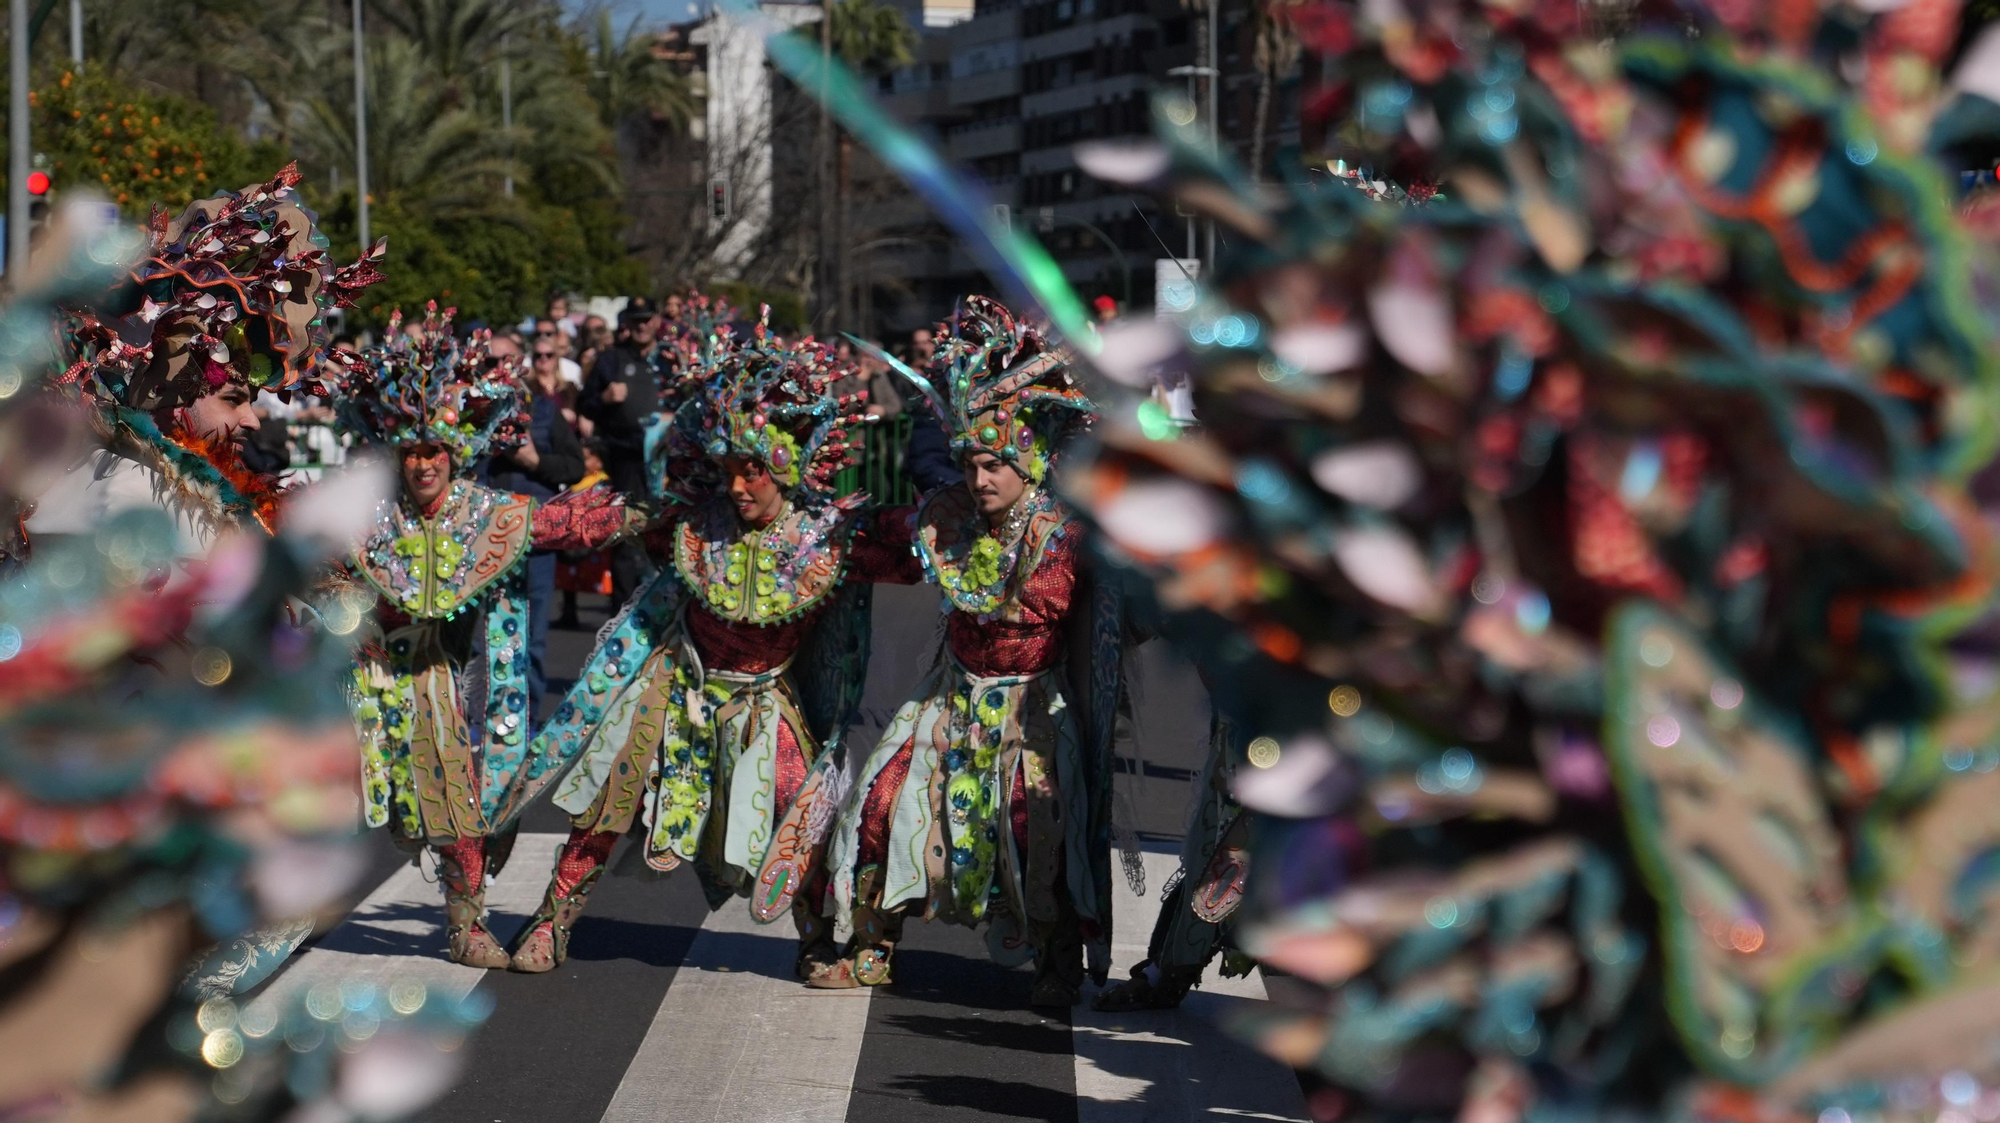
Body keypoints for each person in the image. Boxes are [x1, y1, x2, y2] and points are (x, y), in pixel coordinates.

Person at [512, 316, 898, 975]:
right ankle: (551, 921)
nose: (739, 487)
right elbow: (596, 519)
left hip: (763, 697)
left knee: (797, 804)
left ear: (788, 465)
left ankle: (816, 939)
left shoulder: (831, 540)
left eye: (753, 472)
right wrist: (506, 525)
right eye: (730, 471)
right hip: (677, 682)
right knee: (611, 793)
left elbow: (922, 546)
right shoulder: (692, 522)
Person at [809, 297, 1117, 1010]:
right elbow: (873, 540)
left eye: (996, 465)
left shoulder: (1068, 533)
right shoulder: (944, 517)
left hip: (1034, 703)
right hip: (948, 694)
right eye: (973, 463)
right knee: (883, 801)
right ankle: (873, 943)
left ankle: (1055, 958)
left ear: (1030, 460)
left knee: (1036, 821)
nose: (981, 480)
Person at [336, 305, 637, 969]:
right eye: (411, 451)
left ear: (456, 452)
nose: (423, 465)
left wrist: (644, 517)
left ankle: (467, 925)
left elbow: (561, 524)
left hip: (431, 681)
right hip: (354, 677)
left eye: (434, 451)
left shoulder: (484, 513)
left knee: (457, 808)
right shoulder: (362, 514)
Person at [25, 163, 384, 560]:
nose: (253, 419)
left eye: (249, 400)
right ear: (167, 396)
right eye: (232, 399)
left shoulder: (193, 490)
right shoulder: (133, 491)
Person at [484, 334, 589, 727]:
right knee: (484, 639)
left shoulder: (543, 410)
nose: (497, 370)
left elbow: (574, 467)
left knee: (532, 638)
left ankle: (525, 722)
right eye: (489, 362)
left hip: (534, 540)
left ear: (521, 366)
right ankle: (482, 719)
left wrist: (535, 460)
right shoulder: (463, 413)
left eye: (506, 361)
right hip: (481, 539)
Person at [579, 296, 665, 606]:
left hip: (668, 462)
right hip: (627, 458)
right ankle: (623, 612)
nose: (642, 326)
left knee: (668, 532)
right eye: (635, 320)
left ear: (656, 320)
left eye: (646, 319)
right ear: (626, 324)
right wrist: (604, 396)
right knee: (627, 534)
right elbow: (584, 406)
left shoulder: (670, 358)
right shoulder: (611, 360)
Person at [554, 438, 613, 629]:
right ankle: (569, 611)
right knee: (568, 575)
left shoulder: (602, 483)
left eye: (585, 458)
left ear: (598, 462)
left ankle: (614, 613)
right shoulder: (574, 482)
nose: (581, 462)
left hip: (594, 539)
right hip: (575, 536)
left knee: (605, 575)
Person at [533, 316, 584, 388]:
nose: (542, 337)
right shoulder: (524, 365)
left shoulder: (572, 369)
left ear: (557, 336)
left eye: (548, 334)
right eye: (538, 334)